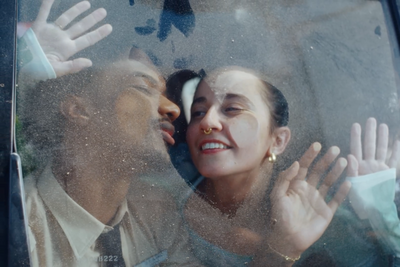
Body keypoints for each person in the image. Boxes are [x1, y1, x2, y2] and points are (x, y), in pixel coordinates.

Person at [19, 46, 202, 266]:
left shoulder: (157, 210)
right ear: (78, 110)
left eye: (166, 95)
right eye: (144, 88)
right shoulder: (18, 225)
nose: (173, 109)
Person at [179, 66, 351, 266]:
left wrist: (379, 212)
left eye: (232, 109)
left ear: (277, 141)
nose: (207, 122)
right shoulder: (157, 199)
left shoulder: (317, 211)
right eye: (198, 112)